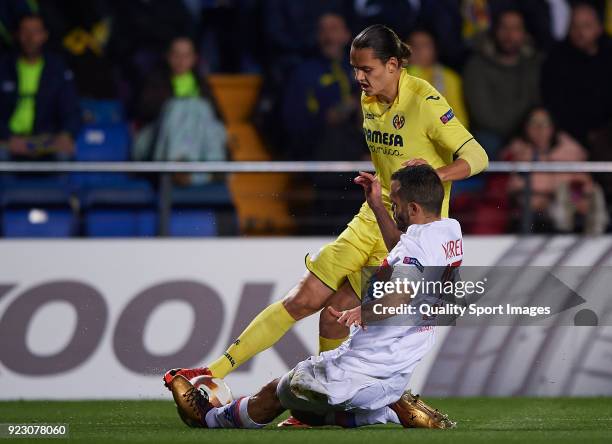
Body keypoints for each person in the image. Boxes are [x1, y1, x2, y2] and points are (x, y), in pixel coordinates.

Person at [163, 24, 488, 425]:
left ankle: (335, 406)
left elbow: (478, 156)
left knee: (343, 315)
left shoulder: (425, 99)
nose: (359, 78)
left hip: (410, 229)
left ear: (392, 65)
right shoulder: (370, 99)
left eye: (366, 69)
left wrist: (431, 177)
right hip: (374, 217)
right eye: (354, 69)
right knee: (307, 300)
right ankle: (215, 373)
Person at [170, 165, 460, 430]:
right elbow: (403, 247)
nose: (391, 208)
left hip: (363, 366)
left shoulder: (414, 250)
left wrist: (362, 312)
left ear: (412, 208)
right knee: (316, 406)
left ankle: (210, 418)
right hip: (398, 372)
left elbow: (399, 298)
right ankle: (391, 407)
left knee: (279, 391)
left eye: (393, 204)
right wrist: (376, 207)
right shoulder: (447, 231)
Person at [133, 36, 226, 186]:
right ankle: (180, 166)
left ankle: (209, 166)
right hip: (157, 140)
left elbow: (218, 118)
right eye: (176, 55)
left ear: (194, 58)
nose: (181, 60)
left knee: (203, 109)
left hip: (198, 141)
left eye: (186, 55)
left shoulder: (201, 83)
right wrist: (183, 105)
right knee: (178, 107)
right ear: (168, 57)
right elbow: (145, 111)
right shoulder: (156, 79)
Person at [502, 107, 608, 234]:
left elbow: (583, 183)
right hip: (537, 213)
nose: (539, 128)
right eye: (534, 123)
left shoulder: (570, 151)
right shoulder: (519, 152)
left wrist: (574, 198)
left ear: (552, 127)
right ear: (526, 128)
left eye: (544, 123)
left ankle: (595, 226)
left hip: (573, 208)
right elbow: (515, 189)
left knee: (588, 194)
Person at [463, 9, 542, 158]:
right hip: (490, 135)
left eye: (515, 28)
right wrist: (513, 138)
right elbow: (481, 114)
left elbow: (535, 103)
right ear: (495, 31)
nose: (509, 34)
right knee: (485, 144)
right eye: (504, 27)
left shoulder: (533, 65)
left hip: (525, 133)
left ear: (525, 33)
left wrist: (524, 136)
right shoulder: (477, 65)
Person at [0, 14, 80, 161]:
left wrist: (66, 135)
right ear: (17, 35)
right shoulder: (4, 67)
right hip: (9, 140)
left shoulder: (57, 69)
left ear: (44, 35)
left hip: (46, 140)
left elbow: (71, 111)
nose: (30, 38)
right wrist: (7, 137)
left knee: (65, 151)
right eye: (25, 32)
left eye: (35, 32)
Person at [541, 2, 612, 147]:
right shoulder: (556, 58)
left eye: (586, 26)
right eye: (575, 26)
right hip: (568, 135)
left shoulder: (609, 54)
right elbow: (554, 103)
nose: (580, 32)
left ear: (599, 27)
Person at [406, 29, 469, 127]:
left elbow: (459, 117)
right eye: (413, 45)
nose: (418, 50)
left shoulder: (449, 78)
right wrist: (414, 71)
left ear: (435, 49)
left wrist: (440, 123)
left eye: (424, 45)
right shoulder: (394, 76)